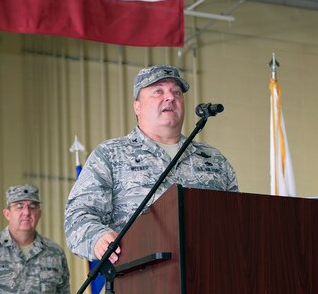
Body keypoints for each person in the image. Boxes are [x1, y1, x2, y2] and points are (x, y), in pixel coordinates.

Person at [64, 64, 238, 263]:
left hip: (209, 278)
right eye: (158, 91)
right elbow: (78, 217)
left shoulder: (213, 159)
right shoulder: (111, 155)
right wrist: (98, 238)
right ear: (137, 106)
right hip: (140, 281)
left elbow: (237, 222)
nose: (170, 97)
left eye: (177, 92)